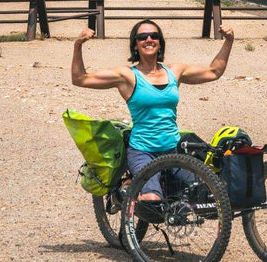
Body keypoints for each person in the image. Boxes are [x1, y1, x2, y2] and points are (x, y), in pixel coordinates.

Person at [71, 18, 234, 201]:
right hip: (143, 151)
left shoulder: (175, 71)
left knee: (204, 194)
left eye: (154, 36)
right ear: (135, 45)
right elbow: (80, 79)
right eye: (142, 37)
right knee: (152, 201)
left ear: (160, 42)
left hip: (173, 148)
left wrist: (229, 41)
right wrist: (78, 44)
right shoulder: (127, 76)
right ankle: (126, 192)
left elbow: (214, 72)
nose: (149, 39)